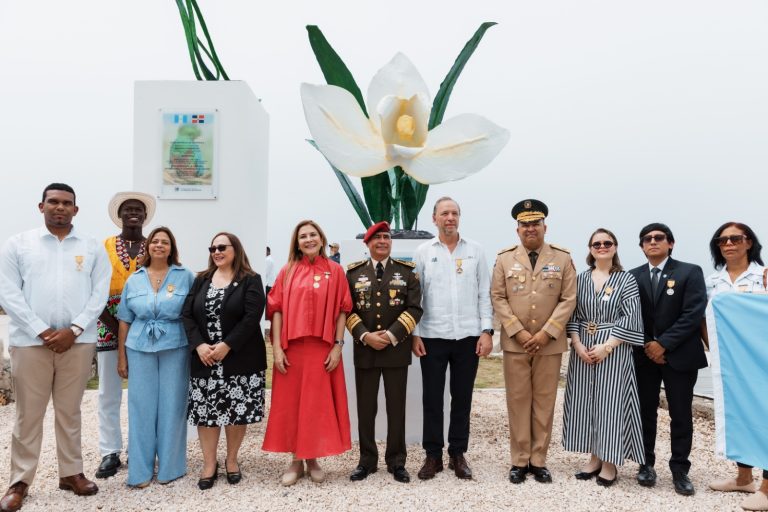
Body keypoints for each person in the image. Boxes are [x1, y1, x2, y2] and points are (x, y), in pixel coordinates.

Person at [0, 183, 110, 512]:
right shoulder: (19, 245)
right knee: (28, 415)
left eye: (66, 203)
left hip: (77, 343)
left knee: (69, 411)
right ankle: (19, 481)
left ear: (76, 209)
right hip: (29, 342)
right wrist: (43, 330)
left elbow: (99, 292)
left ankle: (71, 473)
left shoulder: (91, 247)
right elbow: (9, 292)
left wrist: (74, 329)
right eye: (53, 202)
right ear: (41, 206)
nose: (59, 207)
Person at [490, 199, 576, 484]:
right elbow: (498, 297)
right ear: (518, 230)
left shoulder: (562, 258)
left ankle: (538, 460)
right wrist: (518, 330)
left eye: (535, 223)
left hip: (549, 344)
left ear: (544, 227)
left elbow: (568, 299)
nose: (530, 229)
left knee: (544, 402)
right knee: (517, 401)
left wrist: (546, 332)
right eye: (525, 224)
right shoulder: (504, 259)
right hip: (517, 343)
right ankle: (519, 460)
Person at [262, 220, 353, 486]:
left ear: (322, 238)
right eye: (303, 236)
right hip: (291, 348)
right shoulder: (287, 270)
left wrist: (338, 345)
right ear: (296, 242)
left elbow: (342, 310)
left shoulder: (335, 271)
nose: (309, 239)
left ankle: (312, 458)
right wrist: (277, 347)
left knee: (316, 405)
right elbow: (275, 309)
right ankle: (294, 460)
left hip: (322, 348)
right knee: (291, 405)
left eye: (313, 234)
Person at [412, 197, 493, 481]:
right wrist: (415, 334)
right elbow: (416, 297)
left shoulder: (476, 250)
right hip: (432, 336)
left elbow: (485, 292)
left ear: (460, 217)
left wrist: (487, 331)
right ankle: (432, 455)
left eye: (455, 213)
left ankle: (457, 453)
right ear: (434, 219)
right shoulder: (423, 252)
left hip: (468, 337)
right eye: (444, 213)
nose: (450, 218)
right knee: (432, 399)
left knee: (462, 398)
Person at [183, 232, 267, 490]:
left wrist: (227, 345)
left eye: (222, 247)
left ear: (235, 249)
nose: (216, 251)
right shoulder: (201, 280)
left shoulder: (251, 279)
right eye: (212, 248)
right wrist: (199, 345)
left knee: (235, 412)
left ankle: (231, 460)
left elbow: (252, 317)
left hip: (240, 358)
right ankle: (209, 463)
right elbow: (186, 314)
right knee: (206, 414)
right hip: (205, 359)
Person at [562, 228, 645, 486]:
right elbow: (572, 314)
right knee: (585, 402)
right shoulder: (580, 279)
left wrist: (607, 346)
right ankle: (594, 457)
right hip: (583, 346)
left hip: (614, 347)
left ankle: (610, 462)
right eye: (596, 243)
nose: (602, 246)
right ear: (590, 249)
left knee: (610, 404)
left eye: (607, 242)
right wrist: (576, 344)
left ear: (615, 247)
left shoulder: (626, 279)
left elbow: (631, 316)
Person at [628, 223, 707, 496]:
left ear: (670, 243)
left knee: (681, 415)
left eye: (659, 238)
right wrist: (648, 345)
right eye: (647, 239)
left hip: (680, 356)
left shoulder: (690, 272)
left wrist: (663, 344)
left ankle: (680, 469)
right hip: (643, 357)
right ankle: (645, 463)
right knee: (644, 412)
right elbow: (628, 316)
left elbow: (693, 313)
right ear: (641, 246)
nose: (653, 242)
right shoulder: (631, 276)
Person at [116, 226, 193, 488]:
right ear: (148, 247)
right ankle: (139, 471)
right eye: (155, 241)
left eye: (165, 242)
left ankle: (171, 468)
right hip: (139, 347)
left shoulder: (185, 276)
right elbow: (125, 320)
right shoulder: (134, 279)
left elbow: (193, 315)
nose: (159, 245)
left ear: (172, 248)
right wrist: (122, 358)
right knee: (141, 408)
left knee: (173, 406)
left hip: (176, 346)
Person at [345, 221, 422, 483]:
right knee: (366, 409)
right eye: (376, 238)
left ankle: (397, 461)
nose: (382, 241)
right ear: (367, 244)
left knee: (396, 407)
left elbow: (414, 309)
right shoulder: (353, 273)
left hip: (395, 350)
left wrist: (390, 336)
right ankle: (367, 461)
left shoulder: (407, 272)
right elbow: (347, 310)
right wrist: (365, 336)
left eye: (387, 237)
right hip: (365, 349)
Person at [705, 222, 768, 511]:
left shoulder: (763, 276)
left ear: (749, 242)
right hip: (730, 362)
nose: (728, 244)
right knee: (739, 414)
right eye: (722, 240)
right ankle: (744, 478)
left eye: (735, 238)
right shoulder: (713, 281)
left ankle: (766, 489)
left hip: (762, 360)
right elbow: (705, 319)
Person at [95, 191, 156, 479]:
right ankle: (110, 451)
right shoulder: (104, 246)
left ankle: (139, 448)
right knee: (109, 391)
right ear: (119, 215)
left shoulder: (153, 246)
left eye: (139, 210)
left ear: (145, 216)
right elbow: (94, 288)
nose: (134, 213)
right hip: (108, 325)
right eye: (128, 209)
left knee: (141, 394)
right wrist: (114, 325)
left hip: (145, 329)